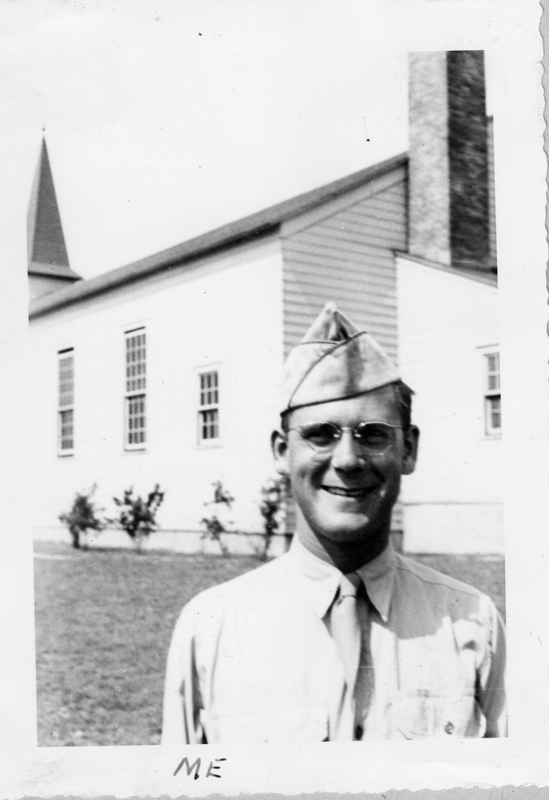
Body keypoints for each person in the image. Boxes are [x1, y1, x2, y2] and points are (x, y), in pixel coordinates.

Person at [161, 302, 506, 743]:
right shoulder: (210, 627)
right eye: (320, 435)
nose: (347, 459)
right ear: (281, 452)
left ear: (409, 449)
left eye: (374, 434)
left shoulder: (472, 623)